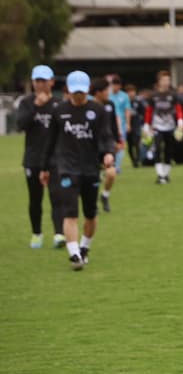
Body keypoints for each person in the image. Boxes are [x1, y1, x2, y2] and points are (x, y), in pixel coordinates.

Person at [40, 71, 115, 270]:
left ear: (88, 89)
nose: (79, 96)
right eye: (75, 92)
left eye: (82, 92)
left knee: (90, 214)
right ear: (68, 90)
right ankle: (74, 254)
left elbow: (106, 136)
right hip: (67, 168)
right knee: (70, 212)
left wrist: (108, 153)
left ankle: (84, 248)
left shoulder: (99, 110)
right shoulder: (59, 111)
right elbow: (50, 141)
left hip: (91, 168)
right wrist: (44, 168)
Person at [16, 65, 65, 249]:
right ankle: (36, 234)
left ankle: (59, 234)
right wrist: (36, 106)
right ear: (33, 82)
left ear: (51, 82)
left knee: (57, 196)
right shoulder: (26, 103)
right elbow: (21, 125)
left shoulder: (59, 104)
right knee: (35, 199)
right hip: (33, 158)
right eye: (37, 80)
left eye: (44, 80)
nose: (40, 84)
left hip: (55, 158)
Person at [143, 70, 183, 184]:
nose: (167, 82)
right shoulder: (153, 96)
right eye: (164, 80)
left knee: (168, 150)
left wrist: (180, 122)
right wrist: (146, 125)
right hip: (157, 127)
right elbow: (149, 111)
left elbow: (178, 109)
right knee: (157, 149)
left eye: (168, 80)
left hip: (170, 127)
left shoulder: (173, 95)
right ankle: (160, 174)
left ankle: (166, 174)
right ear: (159, 81)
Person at [91, 78, 122, 213]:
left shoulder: (110, 104)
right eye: (105, 91)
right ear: (98, 92)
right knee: (94, 177)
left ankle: (105, 195)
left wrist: (118, 140)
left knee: (111, 174)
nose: (108, 93)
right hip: (92, 146)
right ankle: (93, 203)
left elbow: (113, 124)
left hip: (107, 145)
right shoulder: (89, 106)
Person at [108, 75, 131, 176]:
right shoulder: (108, 95)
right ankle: (110, 164)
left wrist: (128, 124)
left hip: (121, 124)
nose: (115, 87)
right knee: (110, 145)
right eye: (113, 85)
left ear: (120, 86)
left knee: (120, 145)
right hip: (109, 124)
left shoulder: (124, 96)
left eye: (117, 85)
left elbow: (127, 110)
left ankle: (117, 166)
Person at [126, 83, 144, 167]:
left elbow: (142, 113)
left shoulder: (138, 102)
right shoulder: (125, 102)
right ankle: (133, 160)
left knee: (137, 144)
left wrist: (142, 124)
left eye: (132, 91)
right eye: (129, 92)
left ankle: (137, 160)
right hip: (127, 126)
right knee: (130, 145)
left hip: (136, 126)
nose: (131, 93)